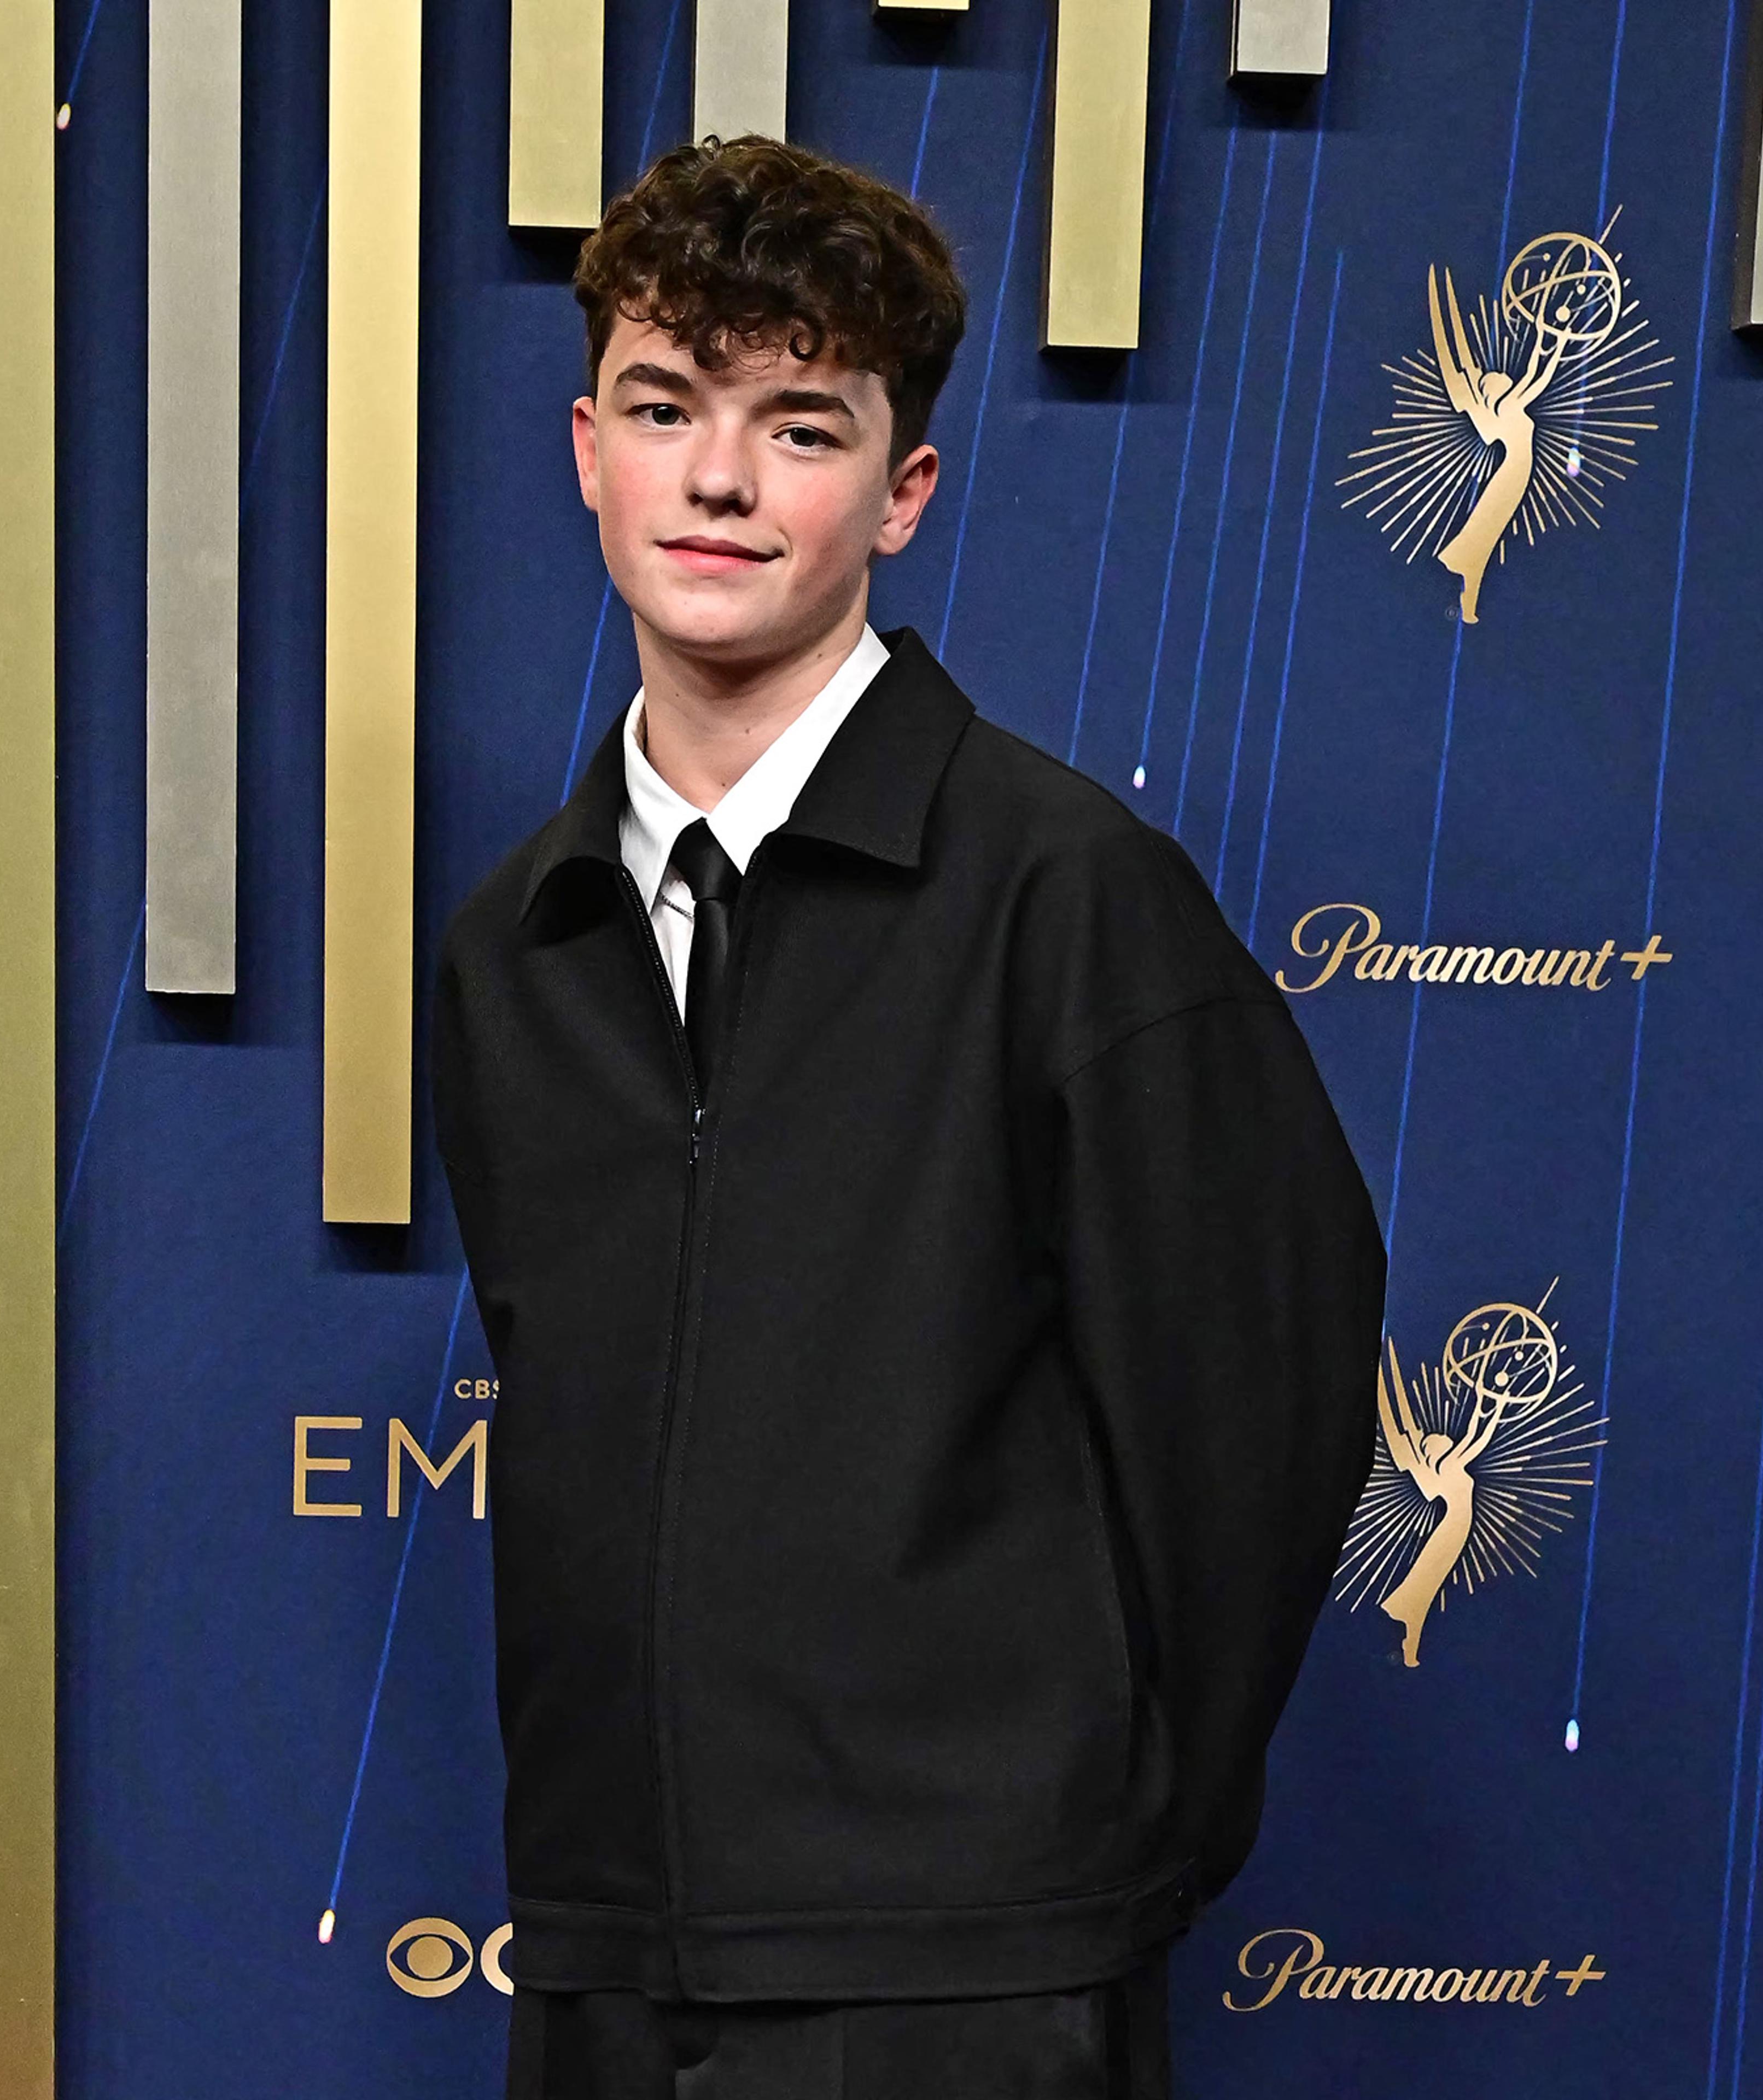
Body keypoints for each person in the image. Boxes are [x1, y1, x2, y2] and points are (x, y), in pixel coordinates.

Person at [432, 135, 1387, 2100]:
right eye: (665, 407)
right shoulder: (517, 946)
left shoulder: (1068, 895)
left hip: (967, 1970)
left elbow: (1256, 1407)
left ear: (903, 492)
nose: (719, 479)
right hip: (605, 1947)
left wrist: (1075, 1850)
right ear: (586, 448)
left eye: (800, 425)